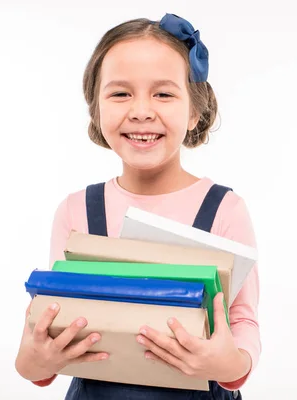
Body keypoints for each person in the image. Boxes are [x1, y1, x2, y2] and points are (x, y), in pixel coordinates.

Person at [14, 13, 261, 400]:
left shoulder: (224, 210)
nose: (141, 110)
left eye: (163, 94)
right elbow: (40, 341)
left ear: (194, 110)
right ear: (96, 109)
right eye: (120, 93)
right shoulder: (76, 211)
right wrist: (36, 361)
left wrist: (228, 364)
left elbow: (243, 320)